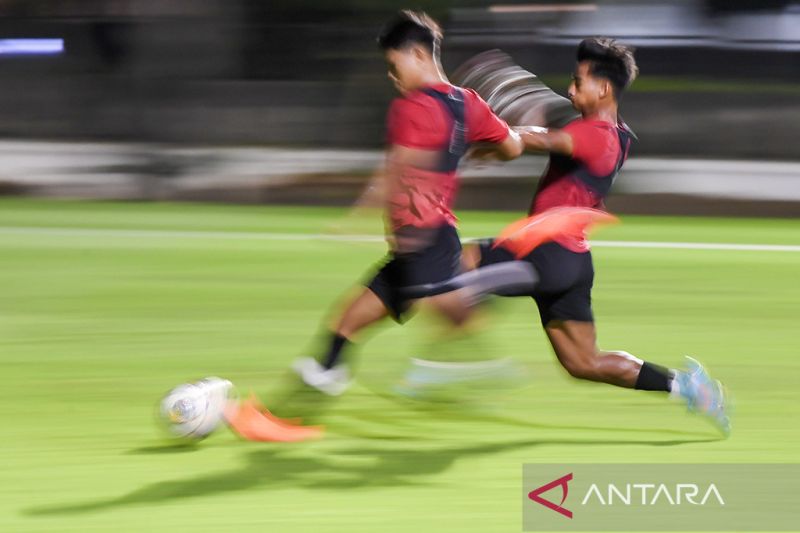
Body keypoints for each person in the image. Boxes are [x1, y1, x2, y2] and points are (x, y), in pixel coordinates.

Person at [403, 38, 731, 435]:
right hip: (572, 262)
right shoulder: (620, 135)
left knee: (446, 275)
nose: (571, 89)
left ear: (604, 88)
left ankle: (467, 372)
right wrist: (510, 137)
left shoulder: (597, 134)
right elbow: (552, 137)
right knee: (583, 363)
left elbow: (545, 136)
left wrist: (496, 132)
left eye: (578, 81)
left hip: (542, 252)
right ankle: (688, 388)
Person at [292, 10, 528, 395]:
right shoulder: (468, 103)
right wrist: (487, 152)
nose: (392, 74)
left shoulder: (412, 107)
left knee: (451, 313)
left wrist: (356, 219)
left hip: (424, 239)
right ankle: (316, 387)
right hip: (414, 245)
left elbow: (395, 171)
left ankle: (492, 303)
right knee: (346, 322)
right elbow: (513, 147)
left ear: (418, 54)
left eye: (394, 63)